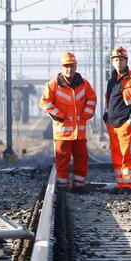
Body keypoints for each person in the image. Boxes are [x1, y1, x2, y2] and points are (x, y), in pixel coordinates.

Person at [40, 52, 97, 191]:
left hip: (79, 132)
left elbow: (92, 99)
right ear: (61, 67)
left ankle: (79, 185)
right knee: (62, 159)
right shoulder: (53, 85)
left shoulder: (84, 84)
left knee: (81, 158)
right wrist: (58, 115)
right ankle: (63, 186)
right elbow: (45, 102)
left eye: (71, 66)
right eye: (66, 66)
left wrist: (86, 114)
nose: (69, 69)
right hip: (62, 132)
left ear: (76, 66)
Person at [103, 46, 131, 195]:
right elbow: (108, 99)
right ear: (112, 62)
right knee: (117, 156)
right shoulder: (112, 80)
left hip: (125, 124)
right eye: (115, 60)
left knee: (128, 155)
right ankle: (121, 184)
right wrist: (106, 116)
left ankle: (130, 186)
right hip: (113, 125)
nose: (118, 63)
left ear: (126, 61)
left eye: (121, 60)